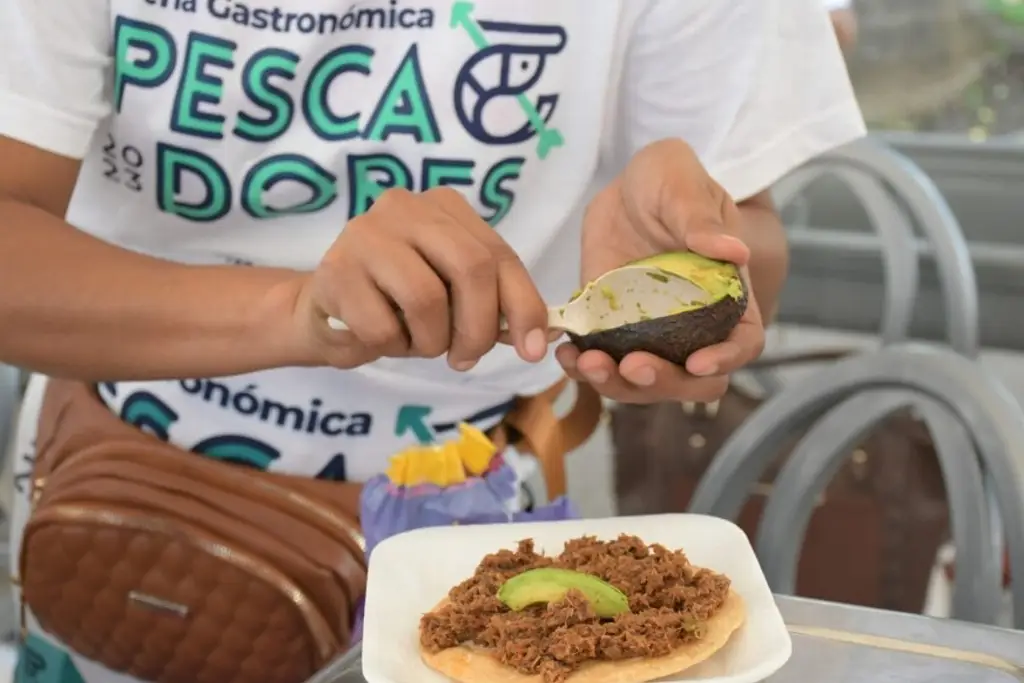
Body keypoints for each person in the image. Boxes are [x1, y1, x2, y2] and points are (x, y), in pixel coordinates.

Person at [0, 0, 865, 681]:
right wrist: (301, 311)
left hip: (498, 510)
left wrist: (690, 270)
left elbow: (751, 234)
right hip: (125, 492)